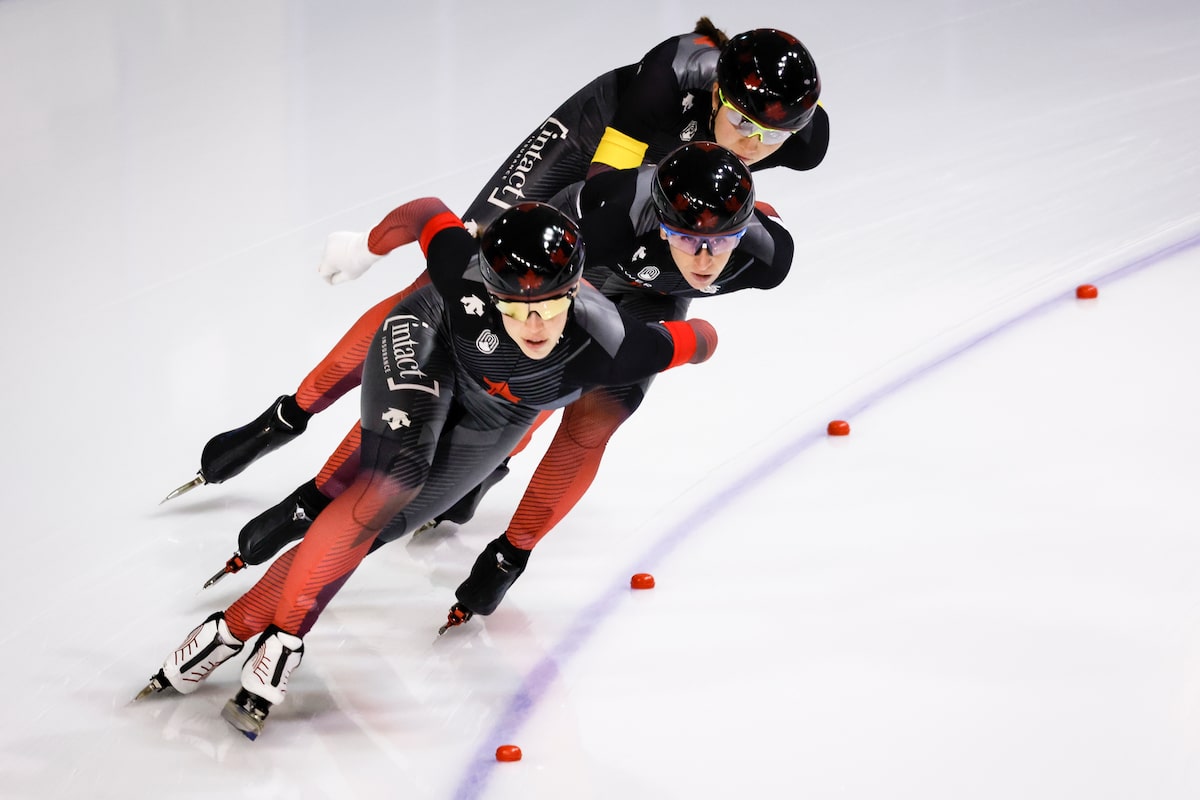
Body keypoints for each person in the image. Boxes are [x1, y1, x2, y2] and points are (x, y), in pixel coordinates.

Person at [164, 20, 825, 503]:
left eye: (774, 136)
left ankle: (491, 448)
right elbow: (601, 194)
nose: (753, 143)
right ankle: (287, 415)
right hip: (593, 157)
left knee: (561, 332)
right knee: (463, 282)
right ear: (715, 96)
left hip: (670, 196)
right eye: (742, 123)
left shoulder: (801, 140)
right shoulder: (671, 75)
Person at [136, 201, 719, 739]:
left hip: (503, 410)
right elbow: (427, 214)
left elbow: (700, 339)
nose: (535, 325)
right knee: (392, 482)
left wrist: (698, 326)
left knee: (375, 529)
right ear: (490, 292)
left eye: (551, 306)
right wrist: (366, 247)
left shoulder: (615, 343)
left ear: (575, 296)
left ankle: (226, 632)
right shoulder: (460, 275)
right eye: (516, 307)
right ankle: (285, 641)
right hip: (427, 338)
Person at [209, 142, 794, 635]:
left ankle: (506, 551)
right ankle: (318, 485)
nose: (705, 257)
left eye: (722, 242)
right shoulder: (610, 214)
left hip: (634, 309)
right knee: (486, 338)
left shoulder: (765, 259)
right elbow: (466, 277)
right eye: (687, 237)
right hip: (567, 273)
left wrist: (693, 337)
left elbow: (684, 337)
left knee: (590, 412)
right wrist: (368, 247)